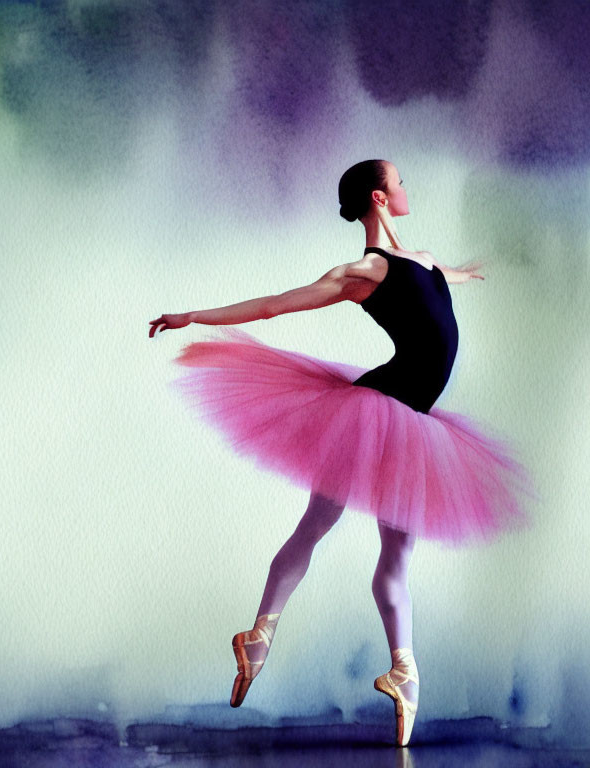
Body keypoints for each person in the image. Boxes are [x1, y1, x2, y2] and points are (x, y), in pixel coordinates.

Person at [147, 159, 536, 747]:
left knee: (395, 560)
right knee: (315, 527)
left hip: (417, 427)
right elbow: (277, 304)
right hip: (372, 414)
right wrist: (193, 316)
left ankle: (404, 673)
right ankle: (259, 636)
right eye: (401, 182)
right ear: (380, 197)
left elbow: (444, 277)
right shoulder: (364, 272)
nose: (408, 189)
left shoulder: (424, 262)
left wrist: (481, 271)